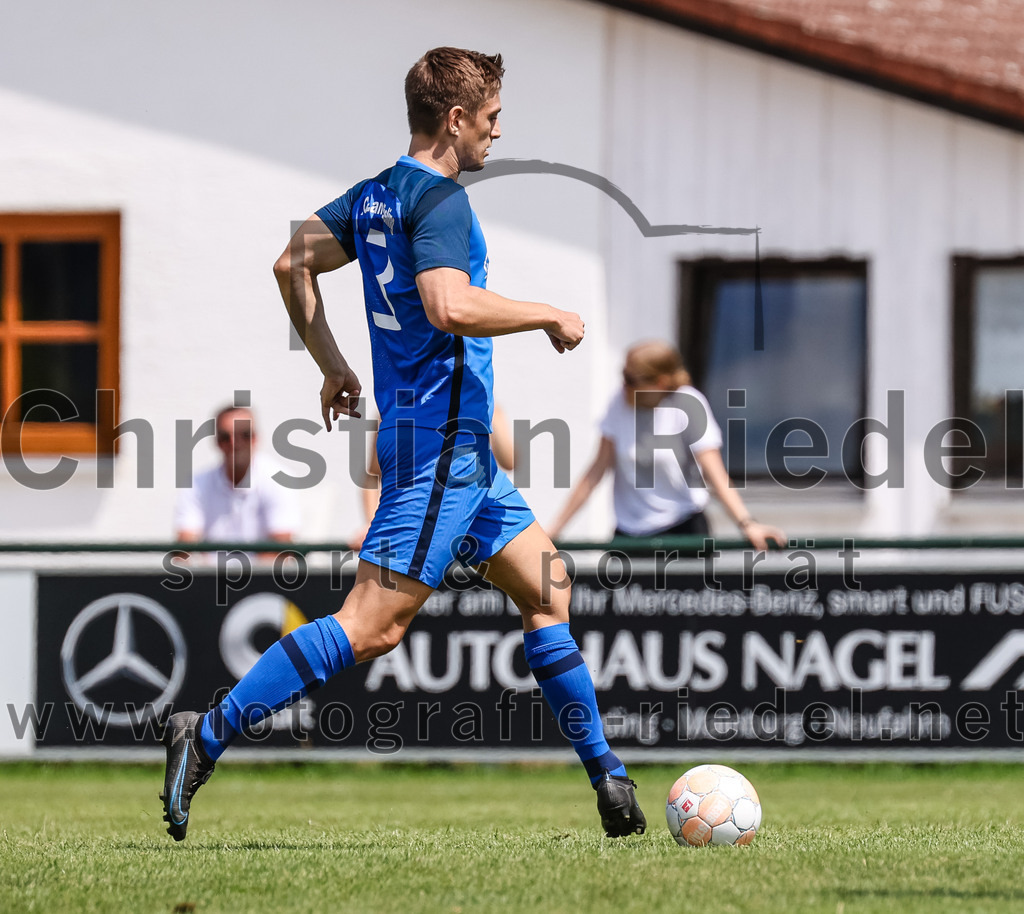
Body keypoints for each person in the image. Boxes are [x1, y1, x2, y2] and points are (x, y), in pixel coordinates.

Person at [159, 46, 646, 842]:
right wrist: (549, 313)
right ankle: (205, 733)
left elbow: (290, 263)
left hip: (463, 457)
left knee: (547, 589)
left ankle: (610, 782)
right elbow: (447, 305)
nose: (497, 132)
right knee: (372, 626)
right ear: (455, 119)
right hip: (440, 456)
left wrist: (333, 367)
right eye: (491, 118)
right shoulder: (441, 200)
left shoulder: (375, 195)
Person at [548, 340, 785, 550]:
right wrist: (553, 531)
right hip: (630, 534)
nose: (624, 385)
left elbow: (714, 473)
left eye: (631, 379)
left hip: (683, 530)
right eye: (623, 375)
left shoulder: (687, 404)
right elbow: (595, 472)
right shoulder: (618, 404)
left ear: (660, 382)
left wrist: (747, 524)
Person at [351, 402, 516, 549]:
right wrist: (371, 523)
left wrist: (487, 410)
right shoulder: (396, 408)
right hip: (413, 525)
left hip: (470, 522)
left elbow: (509, 461)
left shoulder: (482, 405)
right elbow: (374, 474)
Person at [174, 405, 299, 549]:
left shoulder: (280, 479)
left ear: (255, 438)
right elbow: (184, 546)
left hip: (261, 565)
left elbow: (282, 547)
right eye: (225, 437)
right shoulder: (196, 484)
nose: (234, 443)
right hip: (211, 565)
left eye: (244, 435)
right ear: (217, 442)